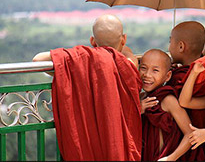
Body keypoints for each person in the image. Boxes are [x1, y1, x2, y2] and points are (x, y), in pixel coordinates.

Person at [32, 14, 142, 161]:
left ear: (92, 40)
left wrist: (82, 54)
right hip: (117, 144)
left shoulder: (81, 59)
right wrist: (118, 47)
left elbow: (37, 59)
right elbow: (128, 53)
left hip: (87, 144)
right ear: (124, 39)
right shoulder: (127, 63)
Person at [139, 49, 192, 161]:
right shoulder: (140, 99)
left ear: (167, 76)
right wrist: (137, 111)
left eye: (155, 70)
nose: (147, 75)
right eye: (143, 68)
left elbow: (190, 133)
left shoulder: (167, 99)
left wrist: (171, 158)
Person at [166, 21, 205, 160]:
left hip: (183, 143)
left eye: (170, 41)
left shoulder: (179, 77)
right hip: (203, 141)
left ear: (181, 46)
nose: (169, 46)